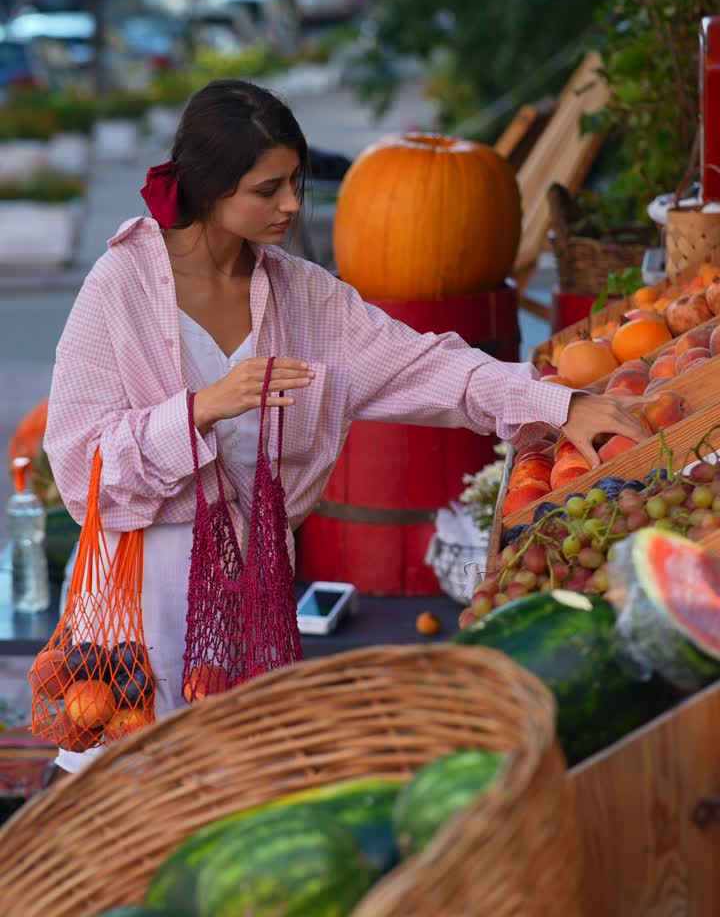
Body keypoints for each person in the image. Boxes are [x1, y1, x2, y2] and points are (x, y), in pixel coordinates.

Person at [44, 78, 646, 774]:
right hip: (135, 608)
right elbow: (81, 467)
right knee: (125, 805)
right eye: (268, 190)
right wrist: (201, 409)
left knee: (234, 803)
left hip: (250, 610)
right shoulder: (117, 289)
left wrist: (558, 404)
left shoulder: (306, 299)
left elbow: (426, 365)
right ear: (210, 190)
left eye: (295, 182)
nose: (293, 205)